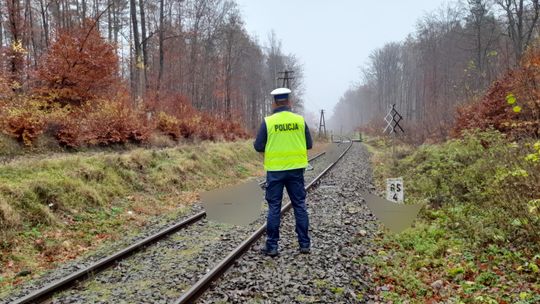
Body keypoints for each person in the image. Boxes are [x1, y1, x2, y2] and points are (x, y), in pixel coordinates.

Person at [253, 88, 313, 257]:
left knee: (274, 207)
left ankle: (272, 246)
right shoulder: (300, 121)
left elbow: (258, 146)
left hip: (275, 171)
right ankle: (304, 244)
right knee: (299, 205)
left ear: (274, 102)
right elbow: (309, 144)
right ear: (289, 102)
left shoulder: (268, 122)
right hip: (296, 170)